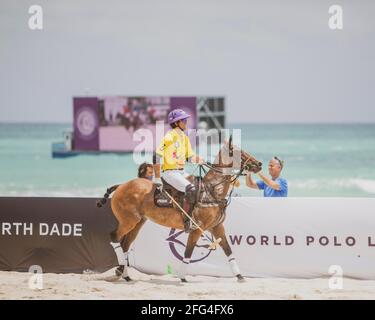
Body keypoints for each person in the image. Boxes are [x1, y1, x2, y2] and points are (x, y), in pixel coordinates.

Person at [153, 108, 204, 232]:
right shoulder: (169, 136)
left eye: (186, 120)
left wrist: (198, 159)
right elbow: (156, 156)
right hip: (169, 173)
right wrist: (158, 177)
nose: (186, 123)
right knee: (191, 190)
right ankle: (187, 223)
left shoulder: (184, 138)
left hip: (181, 172)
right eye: (184, 121)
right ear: (176, 123)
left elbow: (189, 157)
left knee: (201, 186)